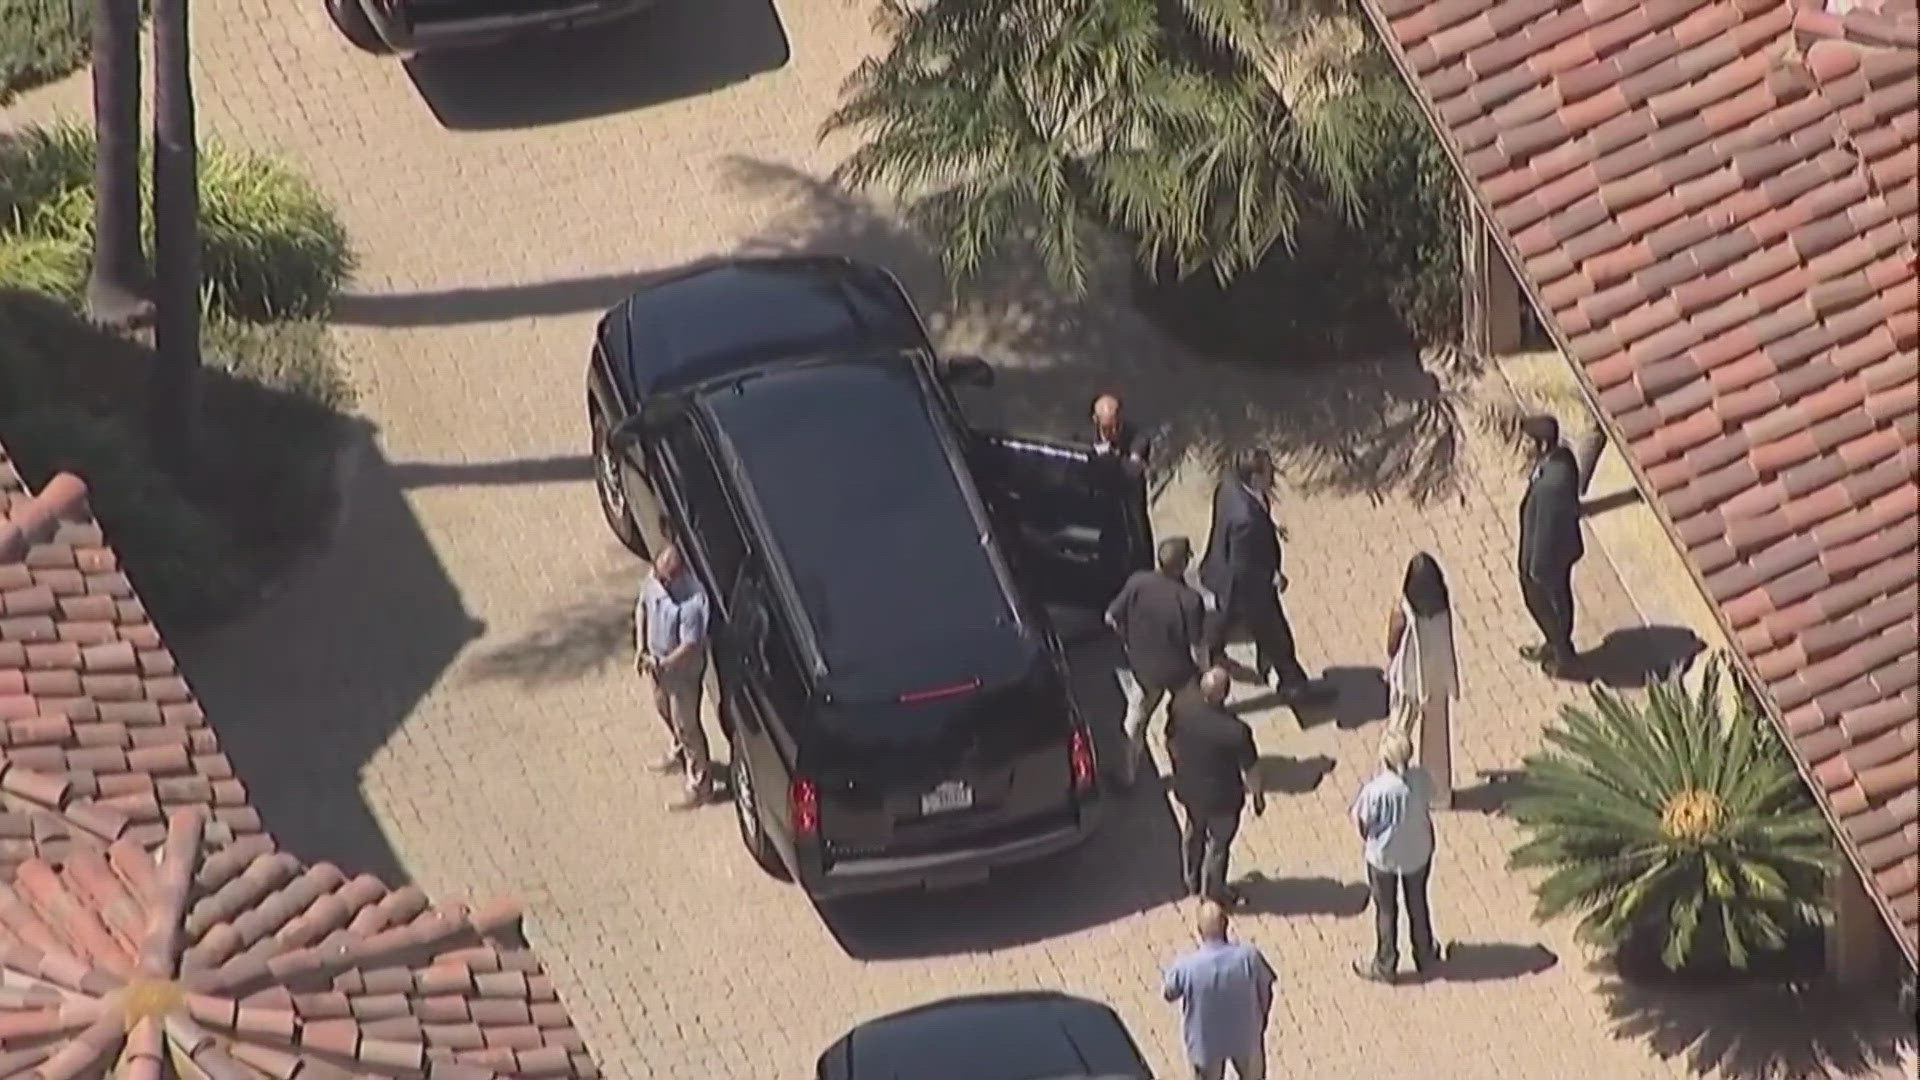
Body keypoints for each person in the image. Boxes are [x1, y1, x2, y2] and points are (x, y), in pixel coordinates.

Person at [1197, 448, 1312, 700]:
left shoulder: (1228, 486)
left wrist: (1269, 527)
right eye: (1268, 471)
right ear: (1254, 477)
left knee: (1222, 623)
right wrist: (1273, 576)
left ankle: (1213, 653)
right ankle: (1293, 684)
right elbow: (1244, 567)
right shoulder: (1246, 521)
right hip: (1246, 589)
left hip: (1219, 571)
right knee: (1276, 635)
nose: (1274, 475)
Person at [1106, 536, 1209, 785]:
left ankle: (1127, 774)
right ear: (1182, 565)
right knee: (1189, 720)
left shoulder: (1137, 582)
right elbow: (1197, 647)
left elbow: (1110, 617)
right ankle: (1190, 765)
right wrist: (1204, 672)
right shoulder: (1190, 601)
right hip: (1180, 674)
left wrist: (1128, 641)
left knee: (1135, 722)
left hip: (1143, 670)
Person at [1350, 732, 1440, 984]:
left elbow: (1362, 820)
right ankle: (1425, 954)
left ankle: (1385, 963)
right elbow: (1430, 800)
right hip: (1418, 851)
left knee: (1386, 910)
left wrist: (1369, 838)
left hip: (1383, 856)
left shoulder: (1376, 789)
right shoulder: (1421, 779)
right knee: (1418, 903)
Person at [1168, 668, 1263, 904]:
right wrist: (1258, 795)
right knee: (1218, 846)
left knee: (1193, 832)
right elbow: (1251, 769)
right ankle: (1213, 893)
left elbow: (1169, 738)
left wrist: (1178, 765)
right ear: (1225, 694)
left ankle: (1191, 880)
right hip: (1222, 799)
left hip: (1189, 790)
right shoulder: (1235, 731)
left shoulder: (1181, 706)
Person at [635, 543, 715, 810]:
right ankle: (678, 751)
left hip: (682, 672)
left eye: (665, 578)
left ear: (678, 575)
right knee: (662, 708)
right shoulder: (655, 579)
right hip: (657, 664)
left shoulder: (691, 602)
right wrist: (641, 648)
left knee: (687, 725)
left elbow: (690, 646)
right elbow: (642, 607)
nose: (658, 581)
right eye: (657, 574)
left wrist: (664, 663)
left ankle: (700, 785)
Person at [1163, 900, 1275, 1080]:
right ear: (1226, 925)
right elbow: (1266, 989)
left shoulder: (1187, 967)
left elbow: (1169, 993)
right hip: (1245, 1036)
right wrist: (1261, 1019)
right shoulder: (1249, 957)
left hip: (1205, 1044)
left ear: (1199, 931)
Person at [1385, 552, 1460, 807]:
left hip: (1409, 680)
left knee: (1399, 730)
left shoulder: (1404, 610)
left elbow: (1392, 645)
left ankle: (1397, 782)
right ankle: (1439, 795)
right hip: (1437, 678)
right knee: (1437, 740)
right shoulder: (1442, 607)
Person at [1516, 415, 1584, 675]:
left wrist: (1536, 570)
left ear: (1542, 445)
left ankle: (1564, 656)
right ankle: (1553, 642)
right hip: (1542, 550)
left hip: (1547, 559)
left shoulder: (1552, 484)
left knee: (1550, 603)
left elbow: (1546, 529)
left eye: (1528, 443)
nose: (1525, 448)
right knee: (1547, 603)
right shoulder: (1557, 459)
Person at [1090, 393, 1151, 466]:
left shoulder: (1137, 437)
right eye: (1106, 428)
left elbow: (1134, 468)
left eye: (1116, 426)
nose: (1113, 431)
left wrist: (1114, 455)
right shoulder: (1085, 439)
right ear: (1095, 420)